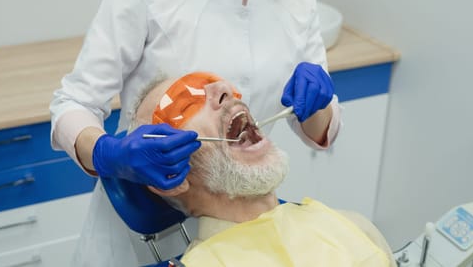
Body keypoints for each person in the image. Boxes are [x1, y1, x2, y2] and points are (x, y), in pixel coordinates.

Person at [50, 0, 342, 265]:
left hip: (244, 235)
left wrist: (319, 104)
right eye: (188, 100)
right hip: (136, 240)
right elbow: (75, 102)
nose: (225, 93)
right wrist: (107, 154)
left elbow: (320, 129)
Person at [129, 71, 395, 266]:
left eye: (214, 83)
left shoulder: (353, 225)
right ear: (172, 176)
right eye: (186, 104)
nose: (224, 87)